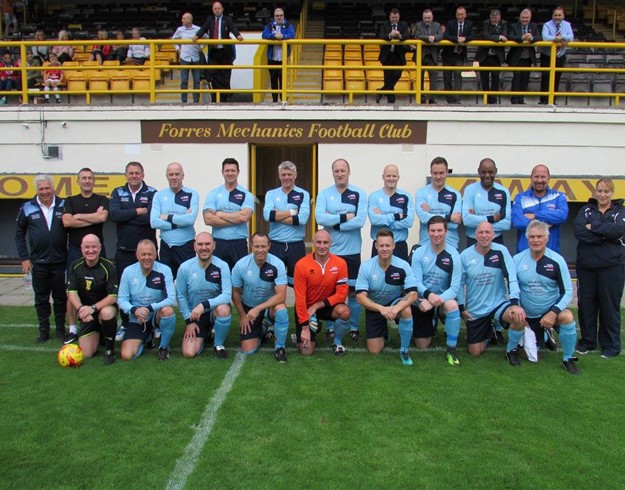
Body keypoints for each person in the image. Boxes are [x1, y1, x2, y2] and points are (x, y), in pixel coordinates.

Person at [514, 220, 580, 375]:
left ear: (547, 238)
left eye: (539, 236)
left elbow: (567, 291)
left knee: (567, 316)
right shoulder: (517, 260)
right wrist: (518, 311)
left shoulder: (557, 260)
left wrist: (553, 312)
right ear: (527, 238)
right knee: (528, 355)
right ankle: (544, 335)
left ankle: (568, 359)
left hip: (550, 313)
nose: (536, 240)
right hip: (528, 316)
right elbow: (512, 290)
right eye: (532, 237)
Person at [315, 158, 367, 341]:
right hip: (331, 252)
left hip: (352, 252)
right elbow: (320, 218)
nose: (340, 174)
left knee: (352, 292)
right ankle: (330, 328)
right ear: (332, 173)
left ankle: (354, 327)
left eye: (343, 170)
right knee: (329, 292)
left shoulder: (359, 193)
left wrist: (334, 222)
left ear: (349, 172)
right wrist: (346, 217)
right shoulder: (324, 194)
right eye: (336, 171)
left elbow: (360, 221)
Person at [458, 222, 526, 360]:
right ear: (475, 235)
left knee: (518, 317)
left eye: (487, 232)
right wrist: (461, 309)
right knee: (475, 352)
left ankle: (511, 351)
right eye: (481, 232)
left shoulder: (501, 251)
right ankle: (490, 331)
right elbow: (459, 284)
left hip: (498, 304)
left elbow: (512, 277)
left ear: (493, 235)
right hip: (476, 308)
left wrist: (514, 304)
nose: (484, 235)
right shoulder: (465, 255)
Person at [574, 178, 625, 358]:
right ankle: (587, 341)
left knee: (609, 307)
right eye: (600, 191)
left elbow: (618, 231)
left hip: (612, 267)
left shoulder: (620, 211)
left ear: (612, 193)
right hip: (586, 267)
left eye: (606, 191)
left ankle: (610, 345)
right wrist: (605, 236)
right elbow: (579, 232)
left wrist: (593, 227)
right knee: (586, 305)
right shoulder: (585, 210)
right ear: (595, 192)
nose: (602, 195)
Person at [15, 175, 68, 343]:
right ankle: (43, 330)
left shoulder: (64, 205)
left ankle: (60, 329)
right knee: (41, 298)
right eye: (41, 189)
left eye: (47, 188)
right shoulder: (27, 207)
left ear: (53, 188)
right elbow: (19, 234)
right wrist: (24, 257)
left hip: (60, 261)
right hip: (38, 262)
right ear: (37, 190)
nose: (45, 191)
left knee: (60, 297)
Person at [109, 161, 157, 340]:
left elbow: (150, 218)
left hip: (148, 253)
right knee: (125, 289)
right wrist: (137, 211)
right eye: (131, 173)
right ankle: (126, 323)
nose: (134, 176)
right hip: (124, 250)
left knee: (152, 287)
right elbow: (114, 215)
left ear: (143, 175)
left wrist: (126, 216)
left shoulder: (152, 192)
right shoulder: (117, 192)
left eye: (137, 173)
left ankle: (153, 324)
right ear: (126, 175)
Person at [356, 229, 418, 365]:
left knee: (406, 310)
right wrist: (381, 309)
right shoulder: (366, 266)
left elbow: (413, 294)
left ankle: (404, 350)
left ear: (393, 246)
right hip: (375, 307)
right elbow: (360, 297)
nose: (384, 249)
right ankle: (384, 331)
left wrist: (395, 309)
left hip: (395, 303)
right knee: (374, 350)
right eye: (381, 245)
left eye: (388, 245)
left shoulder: (403, 265)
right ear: (376, 246)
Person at [410, 216, 462, 365]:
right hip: (423, 300)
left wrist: (434, 301)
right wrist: (429, 295)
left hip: (441, 300)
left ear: (446, 231)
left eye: (439, 230)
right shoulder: (419, 252)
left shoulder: (454, 255)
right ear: (428, 232)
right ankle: (432, 322)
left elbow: (454, 288)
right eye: (432, 230)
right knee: (422, 345)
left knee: (452, 305)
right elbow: (416, 282)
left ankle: (451, 350)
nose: (436, 234)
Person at [232, 232, 289, 361]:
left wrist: (259, 308)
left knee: (281, 310)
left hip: (269, 307)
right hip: (249, 308)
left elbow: (281, 296)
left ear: (269, 246)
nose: (260, 250)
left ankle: (280, 348)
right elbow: (235, 292)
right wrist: (242, 315)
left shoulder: (277, 264)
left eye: (263, 246)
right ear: (251, 246)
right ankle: (264, 326)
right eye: (256, 246)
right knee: (248, 349)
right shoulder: (241, 265)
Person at [293, 230, 351, 356]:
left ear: (331, 243)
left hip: (325, 306)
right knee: (306, 351)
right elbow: (300, 299)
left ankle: (337, 342)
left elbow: (342, 294)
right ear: (313, 242)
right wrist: (305, 327)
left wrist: (316, 306)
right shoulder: (301, 265)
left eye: (325, 242)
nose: (322, 246)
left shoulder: (340, 263)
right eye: (318, 242)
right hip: (307, 309)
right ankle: (309, 329)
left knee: (345, 312)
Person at [118, 239, 176, 361]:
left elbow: (171, 298)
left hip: (156, 315)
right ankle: (147, 337)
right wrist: (135, 311)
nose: (147, 257)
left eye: (150, 254)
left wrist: (149, 308)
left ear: (155, 254)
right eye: (143, 254)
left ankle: (163, 347)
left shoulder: (164, 270)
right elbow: (122, 300)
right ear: (137, 255)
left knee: (168, 311)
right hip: (137, 318)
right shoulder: (128, 272)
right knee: (127, 355)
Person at [176, 232, 232, 359]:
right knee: (189, 353)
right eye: (200, 244)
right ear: (194, 246)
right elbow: (181, 296)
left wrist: (203, 305)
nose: (204, 247)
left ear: (214, 245)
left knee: (224, 309)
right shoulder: (185, 268)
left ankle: (218, 345)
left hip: (214, 311)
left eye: (207, 244)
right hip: (196, 315)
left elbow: (227, 295)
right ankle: (206, 333)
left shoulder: (222, 266)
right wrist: (189, 321)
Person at [66, 235, 118, 365]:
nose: (90, 250)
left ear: (100, 248)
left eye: (94, 247)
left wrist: (93, 308)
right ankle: (99, 334)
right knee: (87, 354)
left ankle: (109, 350)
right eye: (87, 247)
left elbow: (113, 297)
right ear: (81, 248)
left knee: (106, 312)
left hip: (102, 309)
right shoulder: (75, 266)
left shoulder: (109, 266)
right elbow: (72, 293)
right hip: (86, 314)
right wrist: (81, 309)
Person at [262, 160, 310, 285]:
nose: (286, 177)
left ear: (295, 175)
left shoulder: (303, 194)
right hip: (276, 245)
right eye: (283, 174)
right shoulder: (271, 194)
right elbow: (267, 216)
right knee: (274, 282)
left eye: (289, 174)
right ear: (279, 176)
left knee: (298, 282)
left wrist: (277, 215)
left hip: (296, 245)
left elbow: (302, 219)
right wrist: (292, 212)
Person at [203, 157, 254, 270]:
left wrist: (220, 214)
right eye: (227, 170)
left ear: (238, 172)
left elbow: (244, 217)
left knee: (239, 277)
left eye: (233, 170)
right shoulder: (213, 193)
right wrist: (236, 218)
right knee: (217, 276)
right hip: (218, 243)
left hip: (238, 243)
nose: (230, 173)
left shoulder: (246, 195)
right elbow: (208, 219)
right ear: (222, 172)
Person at [150, 162, 199, 279]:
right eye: (171, 174)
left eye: (177, 174)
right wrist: (179, 222)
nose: (174, 177)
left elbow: (190, 220)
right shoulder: (159, 195)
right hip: (166, 247)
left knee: (189, 281)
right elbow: (154, 222)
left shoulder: (192, 194)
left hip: (186, 246)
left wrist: (167, 217)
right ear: (166, 176)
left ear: (183, 175)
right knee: (165, 282)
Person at [193, 1, 244, 103]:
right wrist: (197, 36)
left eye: (218, 8)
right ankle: (224, 93)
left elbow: (233, 28)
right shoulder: (210, 19)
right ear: (213, 10)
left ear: (222, 9)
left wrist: (238, 35)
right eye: (215, 9)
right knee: (212, 73)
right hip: (214, 51)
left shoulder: (227, 19)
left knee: (225, 76)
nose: (217, 10)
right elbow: (203, 28)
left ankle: (224, 98)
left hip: (225, 52)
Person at [511, 164, 568, 253]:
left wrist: (535, 215)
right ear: (531, 178)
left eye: (543, 177)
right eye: (536, 177)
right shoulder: (520, 197)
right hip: (525, 254)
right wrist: (546, 223)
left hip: (550, 254)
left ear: (548, 178)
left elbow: (562, 215)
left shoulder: (559, 196)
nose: (539, 180)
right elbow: (518, 221)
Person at [367, 164, 414, 261]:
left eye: (394, 176)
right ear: (383, 177)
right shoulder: (374, 196)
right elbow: (374, 220)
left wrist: (383, 219)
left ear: (398, 177)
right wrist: (397, 216)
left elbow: (409, 221)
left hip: (399, 246)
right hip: (379, 246)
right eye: (388, 176)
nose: (391, 179)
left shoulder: (405, 196)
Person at [415, 156, 462, 249]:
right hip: (426, 244)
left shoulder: (455, 194)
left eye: (441, 173)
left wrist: (430, 214)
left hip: (450, 245)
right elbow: (424, 218)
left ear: (447, 172)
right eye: (435, 173)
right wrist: (449, 217)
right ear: (431, 173)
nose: (438, 177)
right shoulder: (421, 193)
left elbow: (454, 224)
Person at [462, 157, 511, 247]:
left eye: (490, 172)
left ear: (495, 171)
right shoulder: (470, 190)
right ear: (478, 172)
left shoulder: (503, 191)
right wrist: (492, 219)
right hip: (473, 240)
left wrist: (477, 221)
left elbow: (506, 224)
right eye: (483, 172)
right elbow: (467, 220)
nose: (487, 175)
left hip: (496, 240)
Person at [539, 7, 574, 105]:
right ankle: (543, 101)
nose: (557, 17)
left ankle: (553, 101)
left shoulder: (567, 25)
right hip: (547, 55)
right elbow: (545, 38)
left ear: (563, 16)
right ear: (552, 16)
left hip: (560, 56)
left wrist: (562, 37)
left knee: (556, 78)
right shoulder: (547, 25)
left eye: (559, 15)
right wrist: (556, 39)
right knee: (546, 78)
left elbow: (571, 37)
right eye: (555, 15)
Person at [506, 9, 540, 105]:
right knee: (517, 76)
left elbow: (539, 37)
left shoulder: (534, 26)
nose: (525, 19)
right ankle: (514, 99)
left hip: (528, 58)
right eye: (523, 18)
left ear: (530, 18)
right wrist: (522, 38)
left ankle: (521, 99)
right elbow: (510, 36)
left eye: (527, 18)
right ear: (520, 18)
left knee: (525, 78)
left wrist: (532, 38)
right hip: (516, 57)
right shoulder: (513, 26)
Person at [376, 8, 410, 104]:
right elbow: (381, 35)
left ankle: (381, 91)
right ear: (390, 17)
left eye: (396, 17)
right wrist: (390, 35)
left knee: (397, 74)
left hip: (398, 55)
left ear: (399, 17)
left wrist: (399, 36)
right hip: (387, 55)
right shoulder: (384, 24)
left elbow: (407, 35)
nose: (394, 19)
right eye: (393, 17)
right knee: (387, 78)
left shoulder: (403, 24)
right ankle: (391, 100)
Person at [261, 8, 295, 103]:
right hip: (272, 59)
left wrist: (283, 37)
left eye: (281, 15)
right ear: (274, 16)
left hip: (283, 59)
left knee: (283, 80)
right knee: (273, 81)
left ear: (283, 16)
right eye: (277, 16)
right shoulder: (269, 25)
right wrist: (274, 36)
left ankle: (283, 99)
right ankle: (274, 100)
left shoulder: (288, 25)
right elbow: (264, 35)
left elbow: (292, 35)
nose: (279, 17)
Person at [474, 9, 507, 105]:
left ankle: (493, 98)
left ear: (499, 17)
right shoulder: (485, 23)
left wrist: (500, 37)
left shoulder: (504, 23)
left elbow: (505, 35)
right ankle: (486, 98)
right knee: (484, 78)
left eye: (496, 18)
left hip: (496, 56)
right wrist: (499, 37)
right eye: (492, 17)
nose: (494, 19)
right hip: (484, 55)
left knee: (496, 77)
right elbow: (486, 36)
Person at [442, 6, 474, 104]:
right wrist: (456, 39)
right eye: (458, 14)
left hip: (459, 55)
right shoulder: (450, 23)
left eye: (462, 14)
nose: (460, 16)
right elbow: (446, 35)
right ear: (456, 15)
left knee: (457, 74)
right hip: (448, 54)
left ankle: (457, 98)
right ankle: (449, 99)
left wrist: (465, 39)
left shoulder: (469, 24)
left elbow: (473, 36)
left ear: (465, 15)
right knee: (447, 77)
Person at [414, 9, 443, 104]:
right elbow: (417, 36)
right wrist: (428, 38)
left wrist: (434, 38)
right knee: (420, 78)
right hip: (421, 55)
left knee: (433, 78)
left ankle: (432, 99)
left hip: (432, 56)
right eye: (425, 18)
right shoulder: (418, 25)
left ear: (432, 17)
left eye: (428, 18)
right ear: (422, 18)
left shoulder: (437, 25)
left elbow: (441, 35)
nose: (427, 20)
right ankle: (421, 98)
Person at [172, 12, 203, 104]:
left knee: (196, 81)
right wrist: (178, 49)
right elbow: (173, 39)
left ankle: (196, 101)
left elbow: (206, 37)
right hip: (184, 58)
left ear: (189, 19)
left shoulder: (198, 29)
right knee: (184, 81)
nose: (182, 20)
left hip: (195, 57)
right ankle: (184, 102)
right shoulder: (180, 29)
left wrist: (202, 47)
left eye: (184, 18)